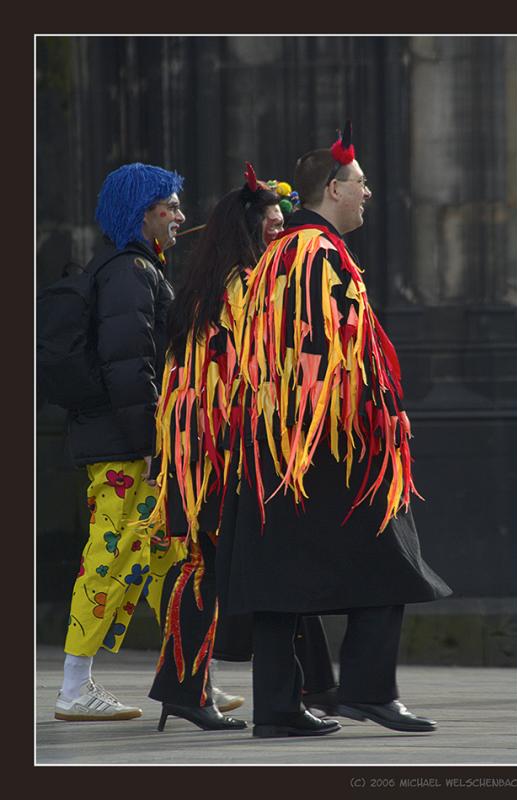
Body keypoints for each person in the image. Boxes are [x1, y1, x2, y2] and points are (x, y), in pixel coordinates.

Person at [215, 122, 453, 739]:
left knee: (278, 577)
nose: (369, 192)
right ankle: (369, 690)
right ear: (332, 190)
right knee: (391, 548)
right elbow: (323, 352)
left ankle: (276, 708)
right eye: (360, 183)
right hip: (323, 441)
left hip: (277, 441)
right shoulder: (313, 255)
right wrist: (378, 416)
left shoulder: (280, 254)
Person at [145, 166, 336, 731]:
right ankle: (193, 687)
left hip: (210, 447)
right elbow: (249, 376)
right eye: (273, 227)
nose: (281, 234)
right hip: (221, 450)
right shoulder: (244, 288)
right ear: (250, 233)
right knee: (223, 565)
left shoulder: (216, 284)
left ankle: (306, 686)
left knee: (223, 565)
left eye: (283, 225)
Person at [54, 163, 190, 722]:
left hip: (126, 440)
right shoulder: (131, 272)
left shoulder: (134, 268)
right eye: (171, 206)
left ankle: (189, 677)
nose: (181, 216)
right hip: (124, 446)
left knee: (164, 555)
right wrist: (153, 444)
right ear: (144, 213)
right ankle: (73, 687)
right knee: (108, 554)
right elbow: (131, 368)